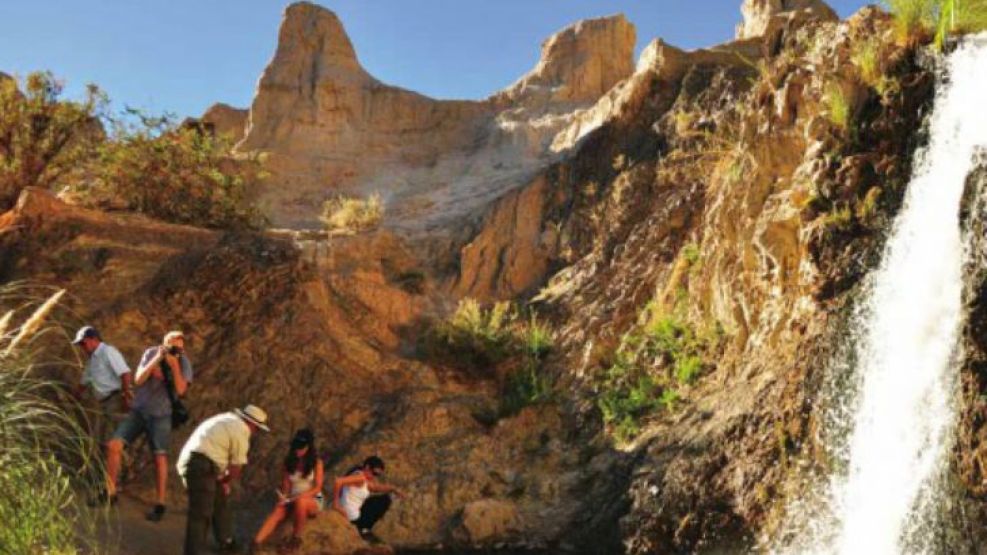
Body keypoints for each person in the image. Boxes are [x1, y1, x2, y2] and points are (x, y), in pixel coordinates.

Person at [100, 331, 192, 521]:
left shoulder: (183, 362)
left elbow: (182, 390)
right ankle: (110, 491)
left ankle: (160, 503)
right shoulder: (152, 353)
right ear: (164, 343)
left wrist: (174, 365)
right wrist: (157, 358)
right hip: (139, 411)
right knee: (114, 445)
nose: (174, 350)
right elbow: (138, 379)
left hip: (161, 415)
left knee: (160, 457)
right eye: (171, 345)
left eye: (178, 347)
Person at [177, 404, 270, 555]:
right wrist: (226, 480)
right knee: (201, 514)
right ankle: (194, 551)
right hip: (201, 464)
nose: (256, 432)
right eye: (257, 428)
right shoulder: (241, 431)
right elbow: (236, 467)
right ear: (252, 424)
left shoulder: (225, 419)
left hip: (195, 461)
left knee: (218, 501)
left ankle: (225, 540)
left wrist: (221, 480)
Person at [252, 429, 324, 551]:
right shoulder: (289, 462)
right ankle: (256, 543)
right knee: (278, 510)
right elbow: (286, 485)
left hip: (313, 498)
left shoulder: (317, 463)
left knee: (301, 501)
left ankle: (296, 538)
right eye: (296, 447)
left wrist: (298, 497)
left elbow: (317, 488)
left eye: (301, 448)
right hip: (293, 496)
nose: (298, 450)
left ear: (309, 447)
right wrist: (283, 497)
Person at [71, 325, 133, 448]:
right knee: (106, 440)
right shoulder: (92, 360)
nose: (82, 347)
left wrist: (126, 397)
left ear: (94, 339)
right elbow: (83, 383)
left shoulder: (108, 351)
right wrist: (73, 398)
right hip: (105, 404)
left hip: (116, 400)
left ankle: (123, 464)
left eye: (83, 343)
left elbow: (125, 373)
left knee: (116, 440)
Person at [332, 456, 405, 541]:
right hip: (353, 519)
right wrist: (336, 504)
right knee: (385, 500)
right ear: (367, 467)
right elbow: (338, 481)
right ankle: (363, 529)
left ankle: (364, 529)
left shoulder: (360, 476)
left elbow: (375, 487)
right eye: (374, 473)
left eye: (377, 475)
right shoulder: (360, 477)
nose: (374, 476)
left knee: (380, 498)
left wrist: (393, 489)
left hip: (352, 515)